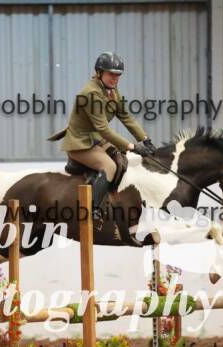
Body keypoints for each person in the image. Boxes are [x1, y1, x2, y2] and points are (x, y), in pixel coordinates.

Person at [48, 52, 156, 221]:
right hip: (80, 143)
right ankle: (92, 208)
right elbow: (104, 129)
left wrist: (145, 139)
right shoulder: (90, 93)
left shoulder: (111, 89)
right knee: (109, 167)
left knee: (122, 160)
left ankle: (113, 201)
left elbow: (125, 116)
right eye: (111, 74)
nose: (116, 78)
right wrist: (133, 147)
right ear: (99, 72)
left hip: (96, 139)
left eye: (118, 74)